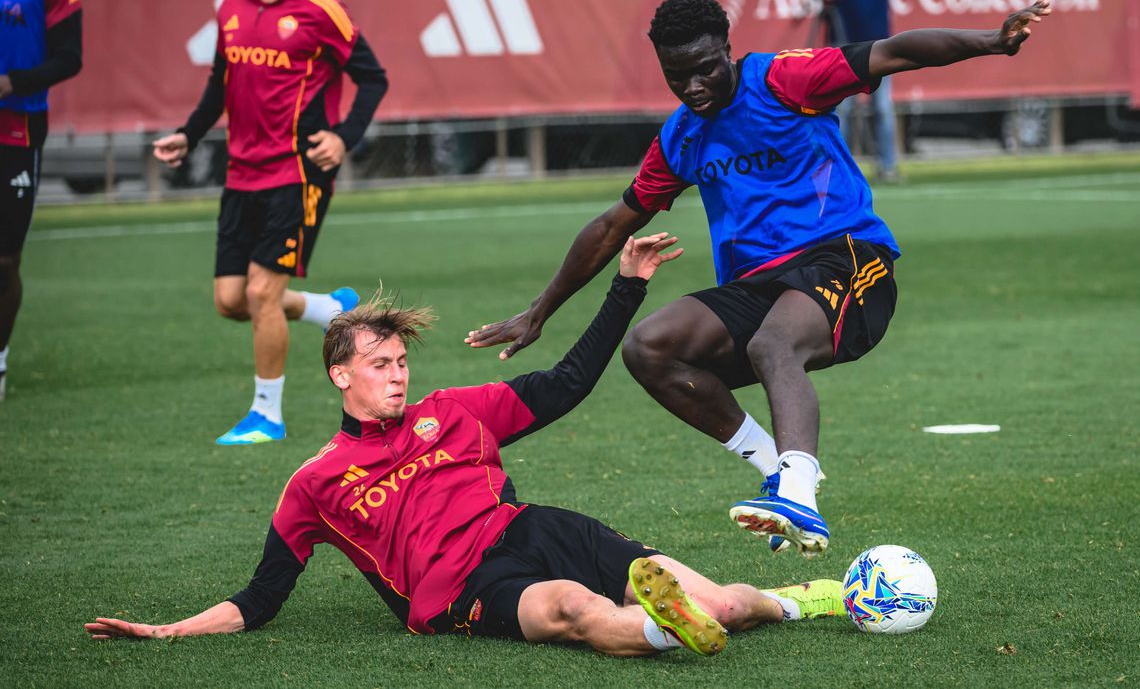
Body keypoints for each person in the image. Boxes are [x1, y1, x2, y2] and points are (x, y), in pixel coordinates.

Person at [467, 0, 1051, 556]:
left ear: (727, 47)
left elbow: (894, 51)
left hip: (847, 257)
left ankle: (798, 491)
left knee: (774, 343)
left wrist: (992, 42)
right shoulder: (680, 135)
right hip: (758, 285)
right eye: (676, 76)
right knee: (650, 348)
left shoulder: (783, 80)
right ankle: (777, 469)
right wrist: (539, 312)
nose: (693, 87)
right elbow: (610, 225)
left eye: (703, 69)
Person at [84, 234, 848, 658]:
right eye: (379, 365)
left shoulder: (454, 413)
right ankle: (662, 627)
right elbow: (260, 600)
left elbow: (570, 381)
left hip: (530, 526)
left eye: (401, 362)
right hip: (462, 588)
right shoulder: (314, 484)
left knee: (714, 598)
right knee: (575, 610)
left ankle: (799, 602)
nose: (397, 375)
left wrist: (626, 283)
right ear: (340, 375)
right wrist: (166, 629)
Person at [153, 0, 388, 445]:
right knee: (231, 301)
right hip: (241, 174)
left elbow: (372, 78)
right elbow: (219, 83)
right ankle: (326, 309)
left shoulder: (321, 9)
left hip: (298, 173)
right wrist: (189, 133)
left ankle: (267, 415)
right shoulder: (232, 7)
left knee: (262, 293)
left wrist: (343, 137)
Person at [0, 0, 83, 402]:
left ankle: (0, 358)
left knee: (5, 259)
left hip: (18, 129)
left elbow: (70, 58)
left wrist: (11, 83)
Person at [813, 0, 911, 182]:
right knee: (843, 109)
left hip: (879, 47)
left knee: (881, 108)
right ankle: (839, 169)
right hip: (845, 49)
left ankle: (887, 166)